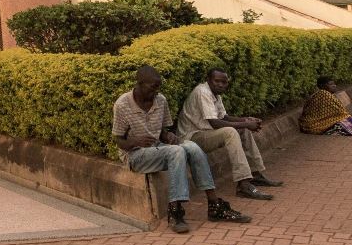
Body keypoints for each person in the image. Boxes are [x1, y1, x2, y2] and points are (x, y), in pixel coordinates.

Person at [113, 65, 251, 233]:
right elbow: (118, 140)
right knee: (176, 151)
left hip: (159, 148)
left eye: (158, 87)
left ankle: (214, 205)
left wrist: (168, 136)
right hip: (135, 154)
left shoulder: (160, 100)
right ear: (140, 83)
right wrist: (135, 141)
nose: (156, 92)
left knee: (192, 146)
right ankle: (175, 211)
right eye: (152, 87)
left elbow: (164, 131)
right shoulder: (122, 104)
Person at [177, 68, 282, 201]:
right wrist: (245, 124)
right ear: (208, 80)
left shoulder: (216, 94)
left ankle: (255, 174)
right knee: (231, 132)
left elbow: (224, 117)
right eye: (217, 81)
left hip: (207, 133)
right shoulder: (202, 92)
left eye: (224, 82)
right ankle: (243, 184)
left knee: (242, 129)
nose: (220, 84)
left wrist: (246, 120)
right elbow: (215, 123)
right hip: (192, 138)